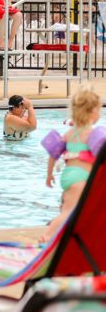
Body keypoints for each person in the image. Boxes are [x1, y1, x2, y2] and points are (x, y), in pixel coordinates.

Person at [41, 88, 103, 241]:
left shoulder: (69, 134)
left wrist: (49, 175)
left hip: (69, 176)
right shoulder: (92, 134)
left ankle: (68, 236)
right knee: (68, 212)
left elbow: (53, 155)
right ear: (93, 112)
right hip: (81, 178)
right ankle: (46, 236)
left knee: (72, 210)